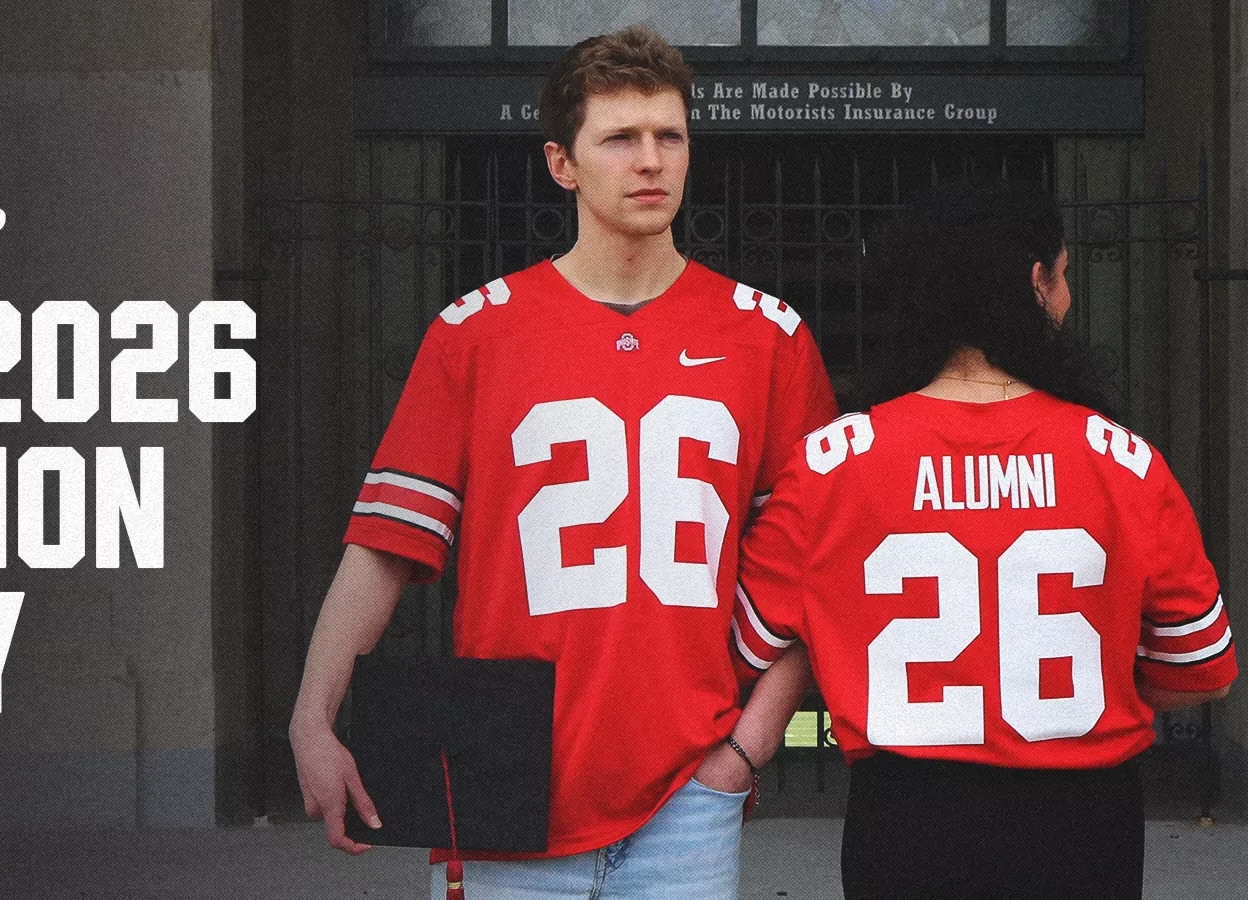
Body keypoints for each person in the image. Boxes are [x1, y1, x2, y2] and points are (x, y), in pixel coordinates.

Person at [288, 26, 837, 900]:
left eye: (670, 136)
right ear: (562, 162)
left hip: (688, 789)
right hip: (504, 782)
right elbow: (388, 544)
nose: (650, 160)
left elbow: (815, 569)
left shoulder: (766, 338)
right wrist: (311, 721)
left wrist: (749, 747)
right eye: (620, 138)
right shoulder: (475, 333)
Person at [729, 179, 1238, 900]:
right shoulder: (1122, 460)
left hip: (904, 817)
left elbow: (746, 647)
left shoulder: (831, 465)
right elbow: (1203, 669)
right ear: (1035, 282)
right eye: (1062, 278)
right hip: (1084, 820)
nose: (1066, 299)